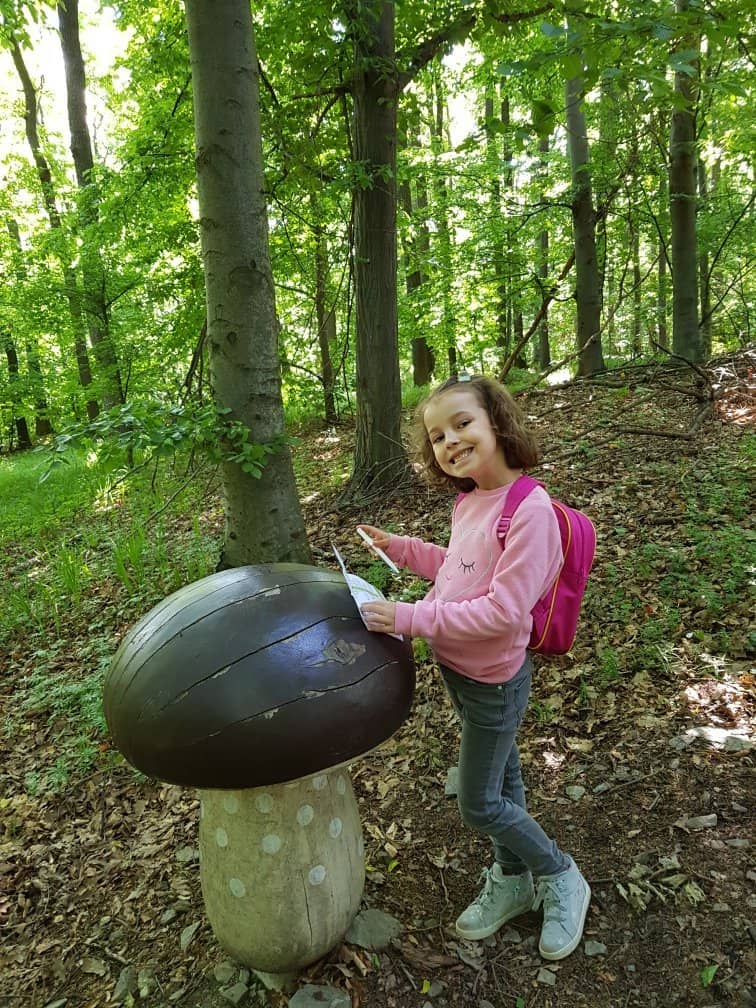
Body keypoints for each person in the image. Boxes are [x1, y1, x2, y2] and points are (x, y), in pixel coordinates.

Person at [358, 373, 590, 961]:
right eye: (438, 436)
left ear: (497, 423)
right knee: (503, 783)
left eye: (462, 424)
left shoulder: (530, 511)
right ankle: (513, 879)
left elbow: (503, 613)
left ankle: (561, 875)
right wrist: (402, 547)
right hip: (461, 673)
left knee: (479, 801)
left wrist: (407, 618)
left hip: (494, 681)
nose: (450, 441)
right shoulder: (471, 500)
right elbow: (460, 569)